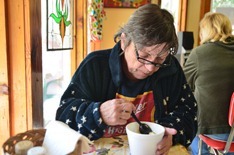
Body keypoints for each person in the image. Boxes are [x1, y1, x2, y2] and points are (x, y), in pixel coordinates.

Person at [56, 4, 197, 154]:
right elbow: (63, 116)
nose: (150, 68)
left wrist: (170, 134)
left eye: (160, 58)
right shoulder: (95, 65)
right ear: (124, 41)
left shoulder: (170, 68)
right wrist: (98, 113)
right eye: (144, 56)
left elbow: (188, 111)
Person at [184, 12, 234, 155]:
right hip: (230, 136)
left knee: (189, 123)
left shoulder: (200, 54)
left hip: (214, 131)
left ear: (205, 30)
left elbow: (184, 86)